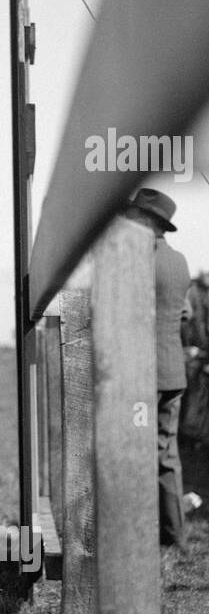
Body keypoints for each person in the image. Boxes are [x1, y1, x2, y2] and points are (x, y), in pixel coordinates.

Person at [124, 188, 191, 549]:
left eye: (132, 216)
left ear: (147, 222)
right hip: (172, 374)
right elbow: (184, 313)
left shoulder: (137, 259)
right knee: (166, 455)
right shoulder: (179, 262)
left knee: (135, 453)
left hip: (142, 377)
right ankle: (174, 534)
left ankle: (133, 536)